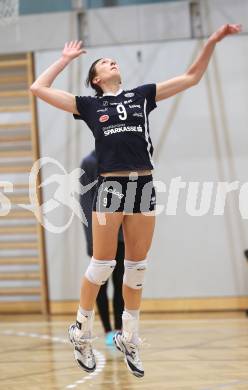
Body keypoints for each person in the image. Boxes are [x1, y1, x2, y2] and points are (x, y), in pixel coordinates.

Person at [30, 23, 242, 378]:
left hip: (143, 186)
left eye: (114, 61)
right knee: (101, 265)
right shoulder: (88, 105)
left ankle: (130, 336)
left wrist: (212, 40)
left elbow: (191, 77)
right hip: (110, 187)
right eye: (105, 63)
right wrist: (65, 59)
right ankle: (81, 330)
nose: (112, 63)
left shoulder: (142, 95)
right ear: (96, 78)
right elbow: (38, 87)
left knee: (137, 267)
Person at [79, 150, 124, 346]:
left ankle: (120, 329)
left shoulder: (121, 159)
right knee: (101, 283)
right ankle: (107, 329)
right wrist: (92, 238)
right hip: (99, 235)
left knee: (121, 283)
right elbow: (86, 202)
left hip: (121, 235)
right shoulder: (89, 163)